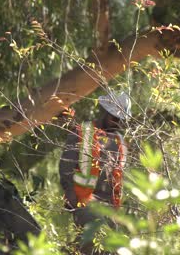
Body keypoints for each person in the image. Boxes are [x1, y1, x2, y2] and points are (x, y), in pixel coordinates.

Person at [59, 92, 131, 251]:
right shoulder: (81, 133)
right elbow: (65, 169)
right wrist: (72, 199)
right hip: (84, 200)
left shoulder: (120, 142)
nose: (118, 123)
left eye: (121, 120)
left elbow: (119, 178)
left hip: (109, 207)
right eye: (115, 118)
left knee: (110, 248)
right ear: (104, 112)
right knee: (97, 238)